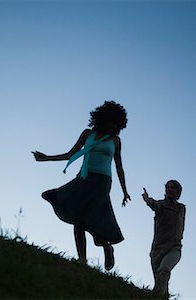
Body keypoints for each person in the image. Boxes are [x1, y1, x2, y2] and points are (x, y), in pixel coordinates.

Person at [32, 101, 131, 271]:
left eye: (116, 123)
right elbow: (71, 154)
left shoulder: (115, 140)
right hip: (84, 178)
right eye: (110, 121)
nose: (113, 126)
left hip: (102, 182)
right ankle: (82, 261)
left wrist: (124, 191)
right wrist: (46, 158)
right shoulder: (88, 134)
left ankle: (106, 245)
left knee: (91, 217)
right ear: (102, 119)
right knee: (79, 220)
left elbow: (119, 166)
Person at [142, 180, 186, 298]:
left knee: (164, 270)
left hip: (174, 248)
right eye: (168, 187)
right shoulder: (161, 205)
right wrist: (148, 200)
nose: (169, 189)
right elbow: (154, 204)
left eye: (173, 188)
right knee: (160, 280)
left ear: (178, 192)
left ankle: (155, 296)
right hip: (158, 249)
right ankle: (162, 296)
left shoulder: (181, 208)